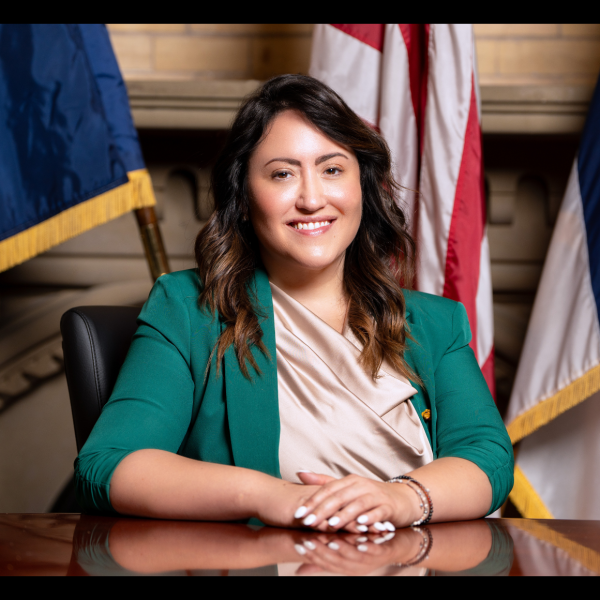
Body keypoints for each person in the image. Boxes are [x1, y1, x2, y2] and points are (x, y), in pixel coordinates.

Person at [75, 74, 513, 534]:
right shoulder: (188, 308)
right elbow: (107, 465)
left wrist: (401, 497)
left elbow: (487, 458)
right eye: (282, 173)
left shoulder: (434, 322)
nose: (311, 199)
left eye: (332, 170)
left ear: (363, 186)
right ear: (243, 199)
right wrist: (274, 496)